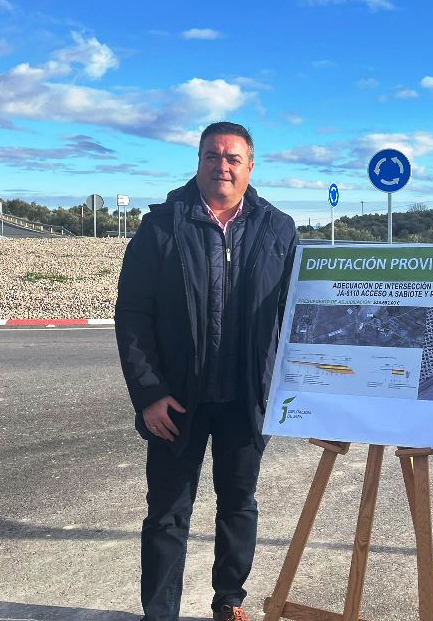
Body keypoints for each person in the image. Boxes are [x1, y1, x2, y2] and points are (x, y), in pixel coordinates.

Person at [115, 121, 298, 621]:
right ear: (198, 162)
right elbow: (132, 314)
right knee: (167, 514)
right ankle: (159, 613)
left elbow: (297, 314)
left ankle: (229, 602)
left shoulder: (278, 229)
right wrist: (148, 392)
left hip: (245, 400)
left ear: (250, 167)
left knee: (239, 504)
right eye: (213, 156)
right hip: (176, 401)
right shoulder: (161, 226)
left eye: (233, 158)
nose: (222, 166)